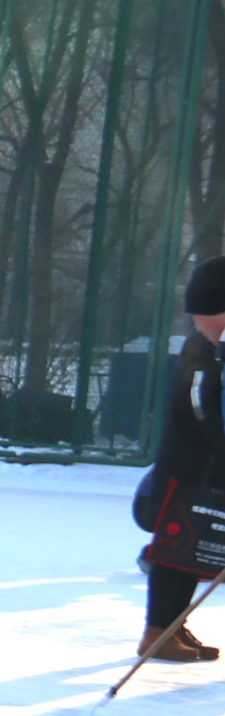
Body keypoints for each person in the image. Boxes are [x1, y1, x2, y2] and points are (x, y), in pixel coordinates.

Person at [135, 258, 225, 665]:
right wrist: (221, 442)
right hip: (184, 469)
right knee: (175, 547)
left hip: (203, 469)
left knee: (195, 550)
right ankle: (157, 630)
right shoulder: (201, 348)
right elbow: (199, 405)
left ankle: (173, 625)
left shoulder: (215, 346)